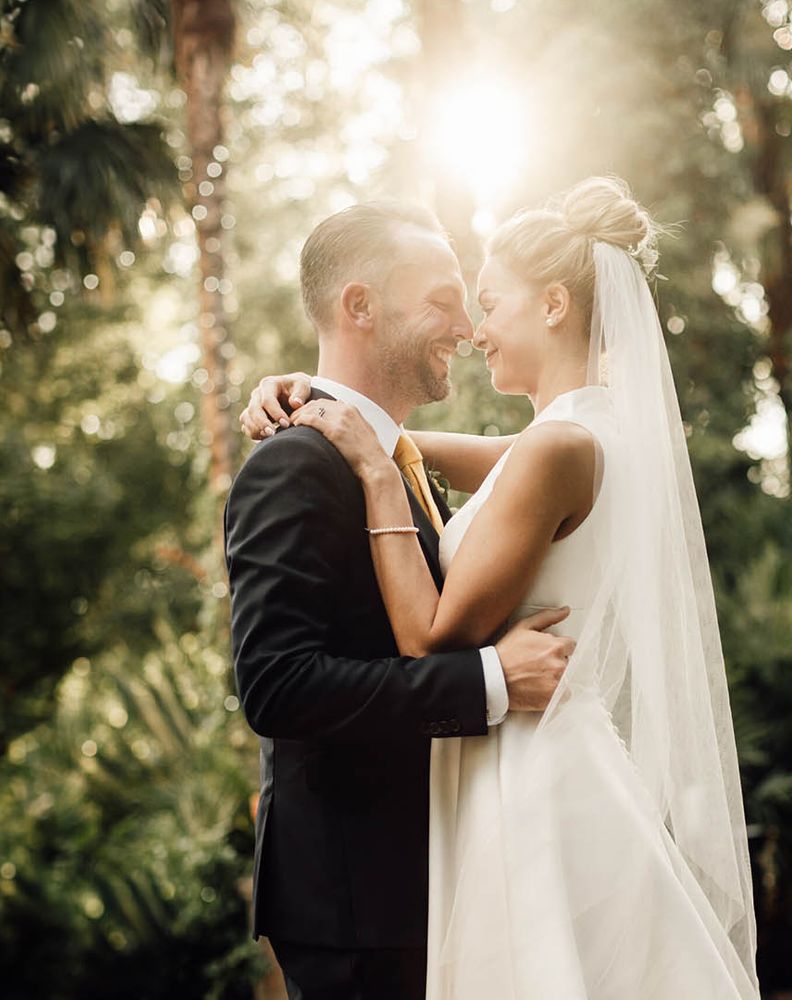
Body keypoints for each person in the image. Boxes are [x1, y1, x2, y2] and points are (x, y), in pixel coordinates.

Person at [243, 177, 761, 998]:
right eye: (454, 303)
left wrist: (374, 466)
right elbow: (423, 446)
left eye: (486, 302)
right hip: (486, 795)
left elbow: (429, 632)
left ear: (554, 303)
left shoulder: (557, 449)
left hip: (531, 780)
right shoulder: (582, 435)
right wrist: (310, 396)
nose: (474, 329)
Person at [223, 199, 575, 1000]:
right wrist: (492, 680)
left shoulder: (393, 462)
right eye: (442, 298)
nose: (465, 324)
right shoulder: (295, 466)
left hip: (429, 877)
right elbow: (278, 686)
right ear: (360, 307)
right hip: (358, 901)